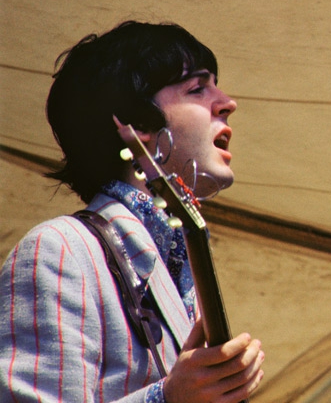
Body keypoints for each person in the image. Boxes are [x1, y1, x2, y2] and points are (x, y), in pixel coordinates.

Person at [0, 21, 265, 402]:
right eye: (197, 88)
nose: (227, 102)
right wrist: (167, 398)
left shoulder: (180, 267)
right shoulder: (59, 249)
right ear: (137, 122)